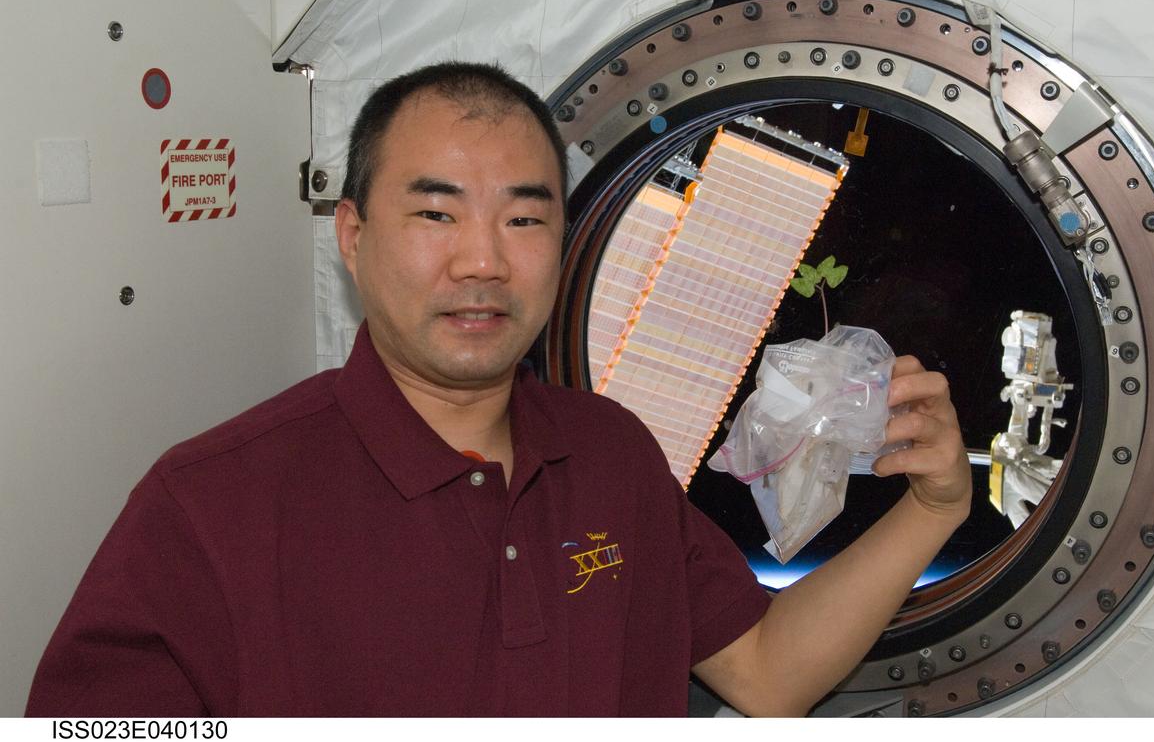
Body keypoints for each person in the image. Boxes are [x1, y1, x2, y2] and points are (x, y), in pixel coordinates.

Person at [27, 61, 971, 717]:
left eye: (524, 218)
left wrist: (932, 511)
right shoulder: (212, 502)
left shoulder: (610, 452)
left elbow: (765, 674)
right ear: (352, 236)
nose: (482, 261)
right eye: (436, 213)